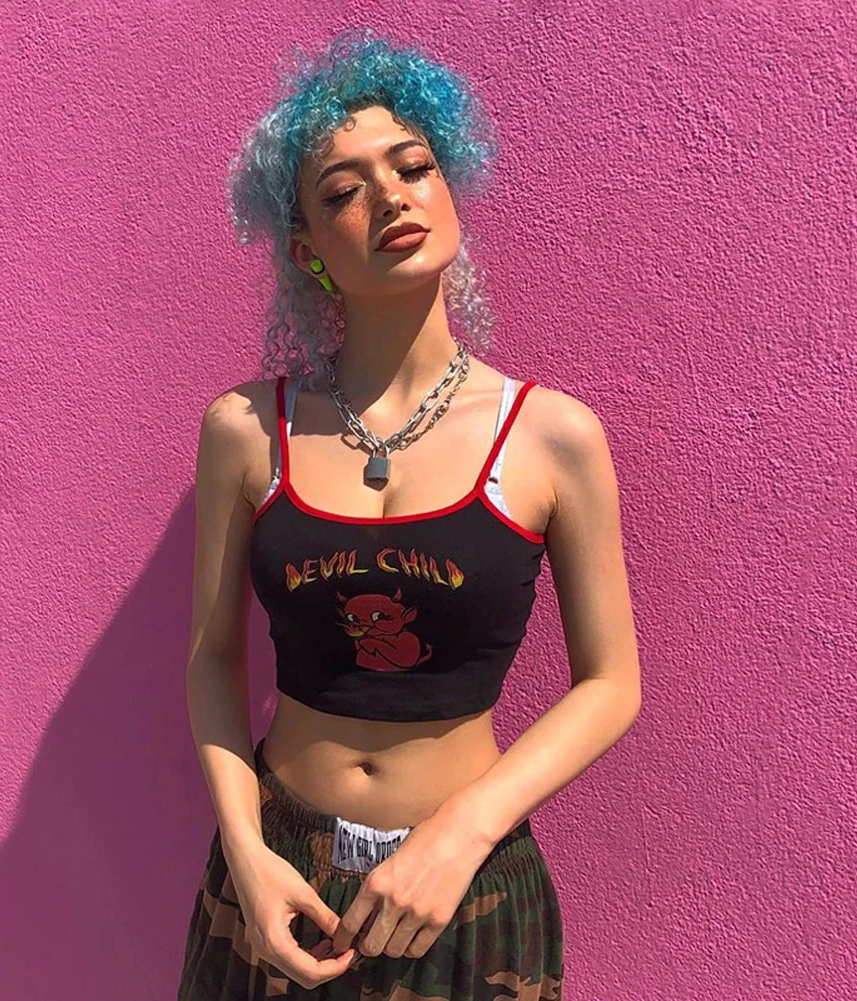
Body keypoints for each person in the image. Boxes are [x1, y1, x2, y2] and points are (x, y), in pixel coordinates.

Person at [176, 27, 641, 1001]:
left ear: (449, 185)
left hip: (462, 888)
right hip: (280, 878)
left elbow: (610, 682)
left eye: (413, 166)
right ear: (306, 251)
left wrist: (463, 830)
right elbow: (212, 657)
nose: (389, 196)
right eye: (342, 189)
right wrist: (245, 851)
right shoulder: (245, 431)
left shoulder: (550, 435)